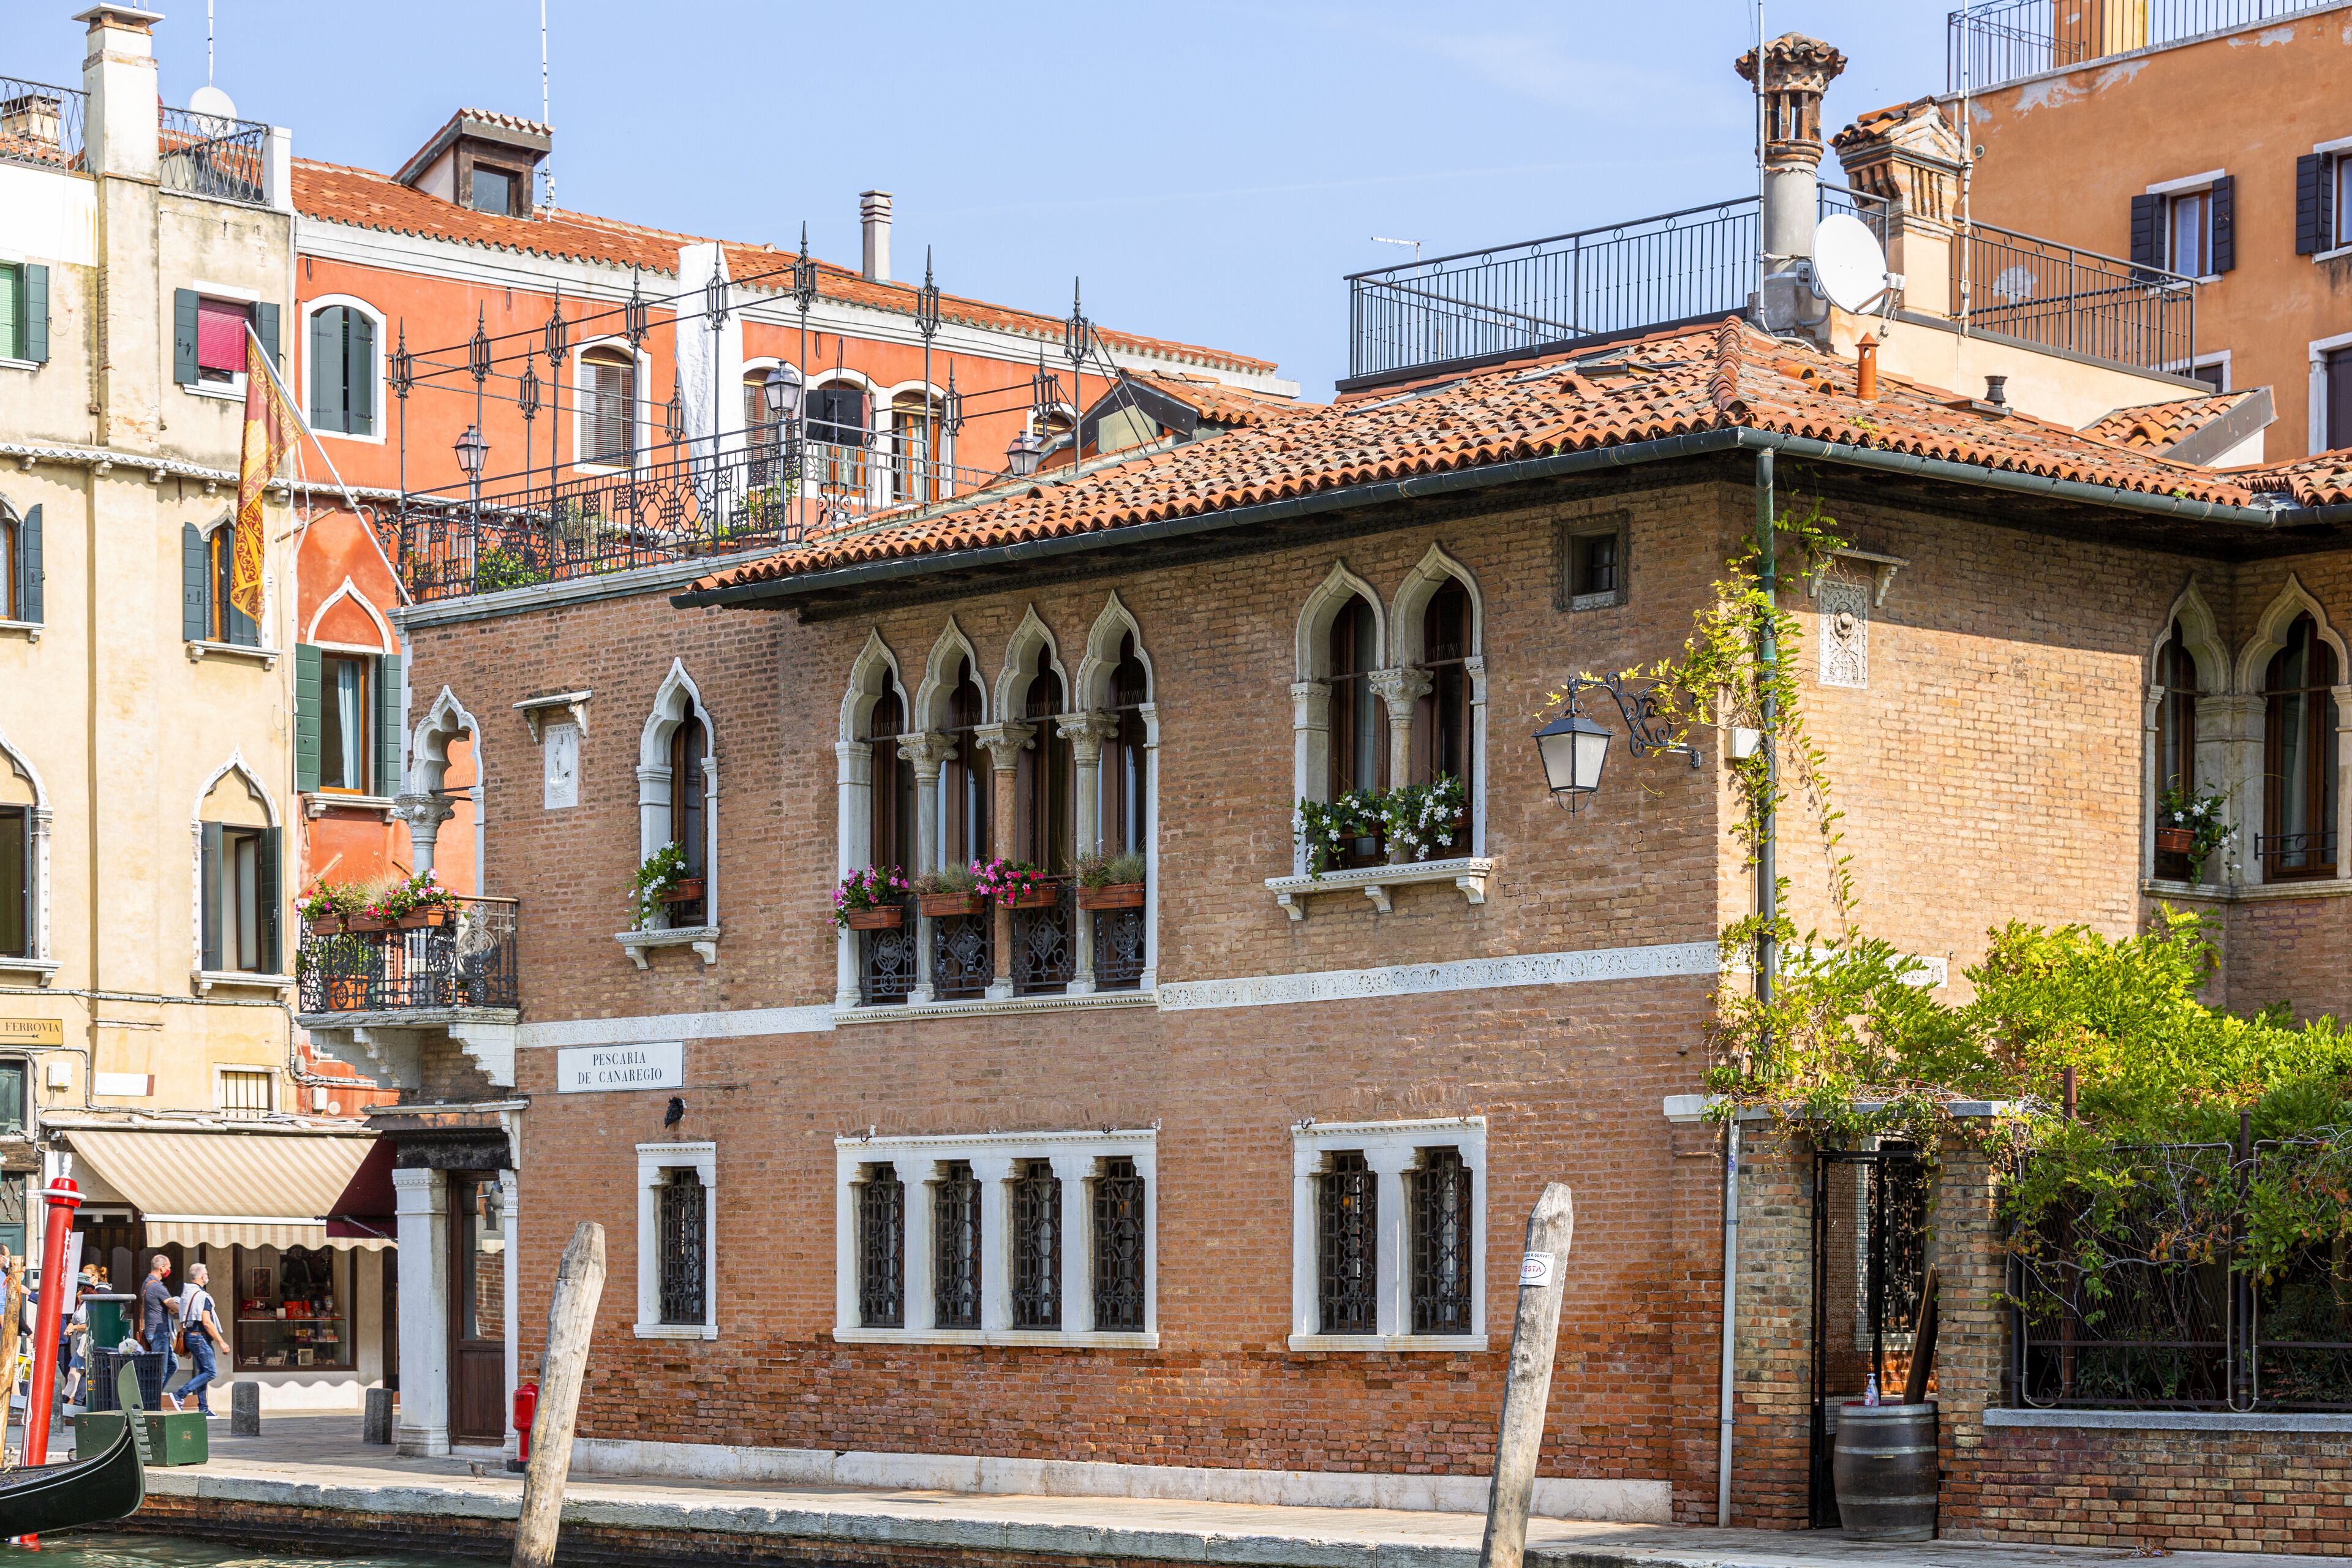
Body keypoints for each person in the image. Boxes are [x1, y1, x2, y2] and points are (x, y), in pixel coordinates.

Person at [170, 1263, 226, 1418]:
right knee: (211, 1372)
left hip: (190, 1335)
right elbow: (207, 1322)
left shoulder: (186, 1294)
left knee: (203, 1372)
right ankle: (179, 1395)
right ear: (203, 1277)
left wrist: (187, 1343)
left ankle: (203, 1407)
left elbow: (183, 1319)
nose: (207, 1276)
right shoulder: (203, 1296)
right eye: (207, 1274)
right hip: (200, 1337)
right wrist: (222, 1342)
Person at [138, 1253, 181, 1409]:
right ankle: (151, 1403)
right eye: (168, 1268)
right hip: (159, 1333)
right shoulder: (157, 1286)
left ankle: (152, 1398)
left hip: (154, 1332)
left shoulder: (147, 1283)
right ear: (162, 1268)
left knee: (172, 1365)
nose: (169, 1270)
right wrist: (181, 1307)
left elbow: (158, 1306)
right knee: (160, 1371)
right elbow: (174, 1306)